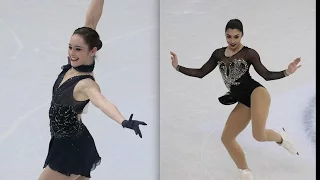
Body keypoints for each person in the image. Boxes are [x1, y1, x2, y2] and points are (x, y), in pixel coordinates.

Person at [170, 19, 301, 180]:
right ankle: (245, 172)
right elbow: (201, 72)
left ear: (242, 36)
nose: (232, 41)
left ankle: (282, 138)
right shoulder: (218, 54)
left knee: (258, 135)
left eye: (236, 37)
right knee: (226, 138)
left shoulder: (249, 53)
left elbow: (266, 75)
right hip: (243, 100)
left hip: (257, 93)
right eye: (228, 36)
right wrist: (178, 67)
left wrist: (286, 72)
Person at [38, 1, 147, 180]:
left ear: (92, 51)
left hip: (70, 148)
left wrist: (124, 121)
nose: (72, 53)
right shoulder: (78, 57)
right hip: (72, 142)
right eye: (70, 47)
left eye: (78, 49)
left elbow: (102, 102)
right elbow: (91, 19)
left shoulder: (86, 84)